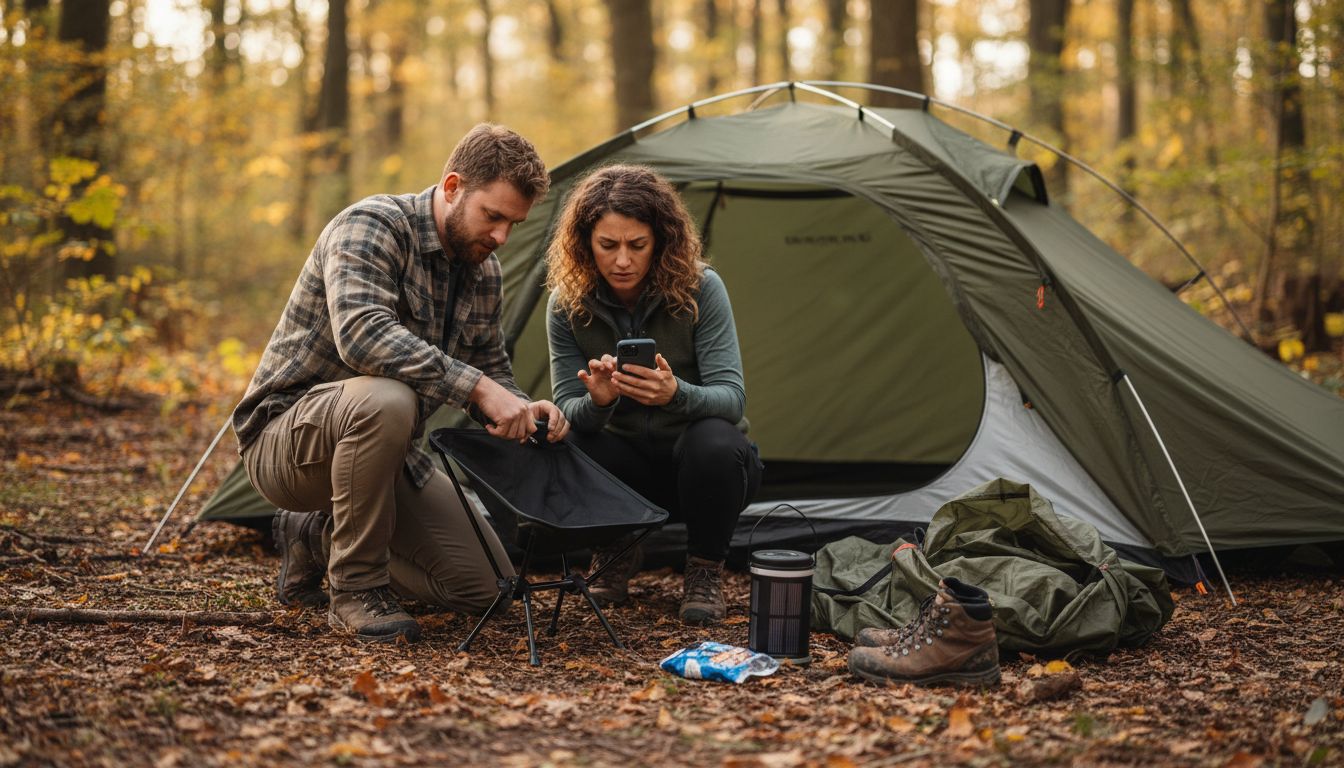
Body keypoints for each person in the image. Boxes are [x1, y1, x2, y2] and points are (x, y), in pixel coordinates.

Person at [232, 124, 569, 644]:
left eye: (513, 224)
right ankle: (354, 590)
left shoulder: (485, 271)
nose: (501, 236)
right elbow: (362, 337)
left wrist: (524, 409)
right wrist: (478, 388)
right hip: (287, 443)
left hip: (391, 459)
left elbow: (491, 368)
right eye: (493, 216)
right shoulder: (372, 225)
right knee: (388, 398)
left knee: (488, 589)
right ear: (453, 187)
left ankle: (318, 537)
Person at [544, 164, 762, 625]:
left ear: (660, 241)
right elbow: (567, 408)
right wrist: (599, 401)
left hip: (700, 474)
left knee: (717, 441)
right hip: (626, 472)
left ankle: (704, 569)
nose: (622, 260)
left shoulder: (702, 287)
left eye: (637, 245)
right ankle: (616, 549)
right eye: (608, 245)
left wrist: (675, 394)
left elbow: (732, 398)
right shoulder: (567, 304)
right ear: (585, 244)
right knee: (572, 440)